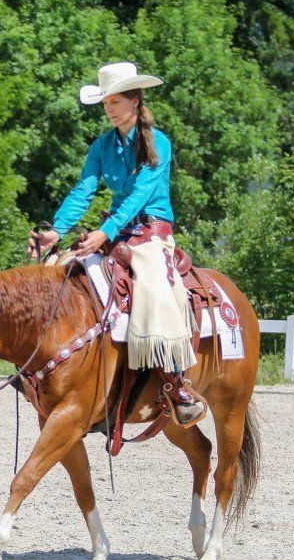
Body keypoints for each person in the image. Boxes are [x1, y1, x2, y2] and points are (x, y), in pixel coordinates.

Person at [27, 61, 204, 425]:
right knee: (58, 270)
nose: (108, 109)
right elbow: (84, 190)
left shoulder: (159, 143)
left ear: (135, 101)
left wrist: (104, 234)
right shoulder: (102, 146)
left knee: (156, 286)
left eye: (115, 102)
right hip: (115, 231)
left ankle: (176, 382)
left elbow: (140, 195)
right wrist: (57, 230)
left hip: (151, 232)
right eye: (105, 103)